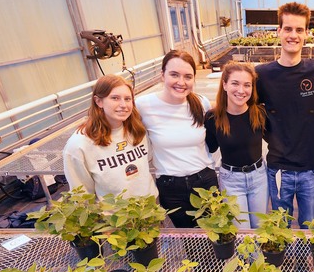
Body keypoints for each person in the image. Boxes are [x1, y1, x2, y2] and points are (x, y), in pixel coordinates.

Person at [255, 2, 314, 228]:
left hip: (310, 168)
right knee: (280, 228)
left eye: (299, 29)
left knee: (309, 226)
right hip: (278, 168)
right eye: (288, 29)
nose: (293, 35)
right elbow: (240, 103)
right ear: (279, 31)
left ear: (307, 33)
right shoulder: (262, 75)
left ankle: (303, 254)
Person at [135, 50, 218, 228]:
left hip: (204, 181)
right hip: (171, 187)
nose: (181, 82)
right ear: (162, 75)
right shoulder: (143, 105)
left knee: (214, 233)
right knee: (188, 236)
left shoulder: (200, 102)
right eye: (174, 75)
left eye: (188, 76)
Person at [63, 75, 157, 199]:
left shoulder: (137, 130)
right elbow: (81, 195)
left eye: (127, 99)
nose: (123, 105)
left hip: (149, 206)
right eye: (115, 98)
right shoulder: (79, 145)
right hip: (115, 211)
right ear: (98, 101)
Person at [205, 61, 267, 229]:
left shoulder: (260, 113)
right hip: (231, 180)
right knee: (241, 231)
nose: (241, 90)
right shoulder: (212, 118)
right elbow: (210, 147)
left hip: (259, 177)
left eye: (247, 85)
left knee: (260, 228)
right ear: (224, 84)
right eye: (235, 83)